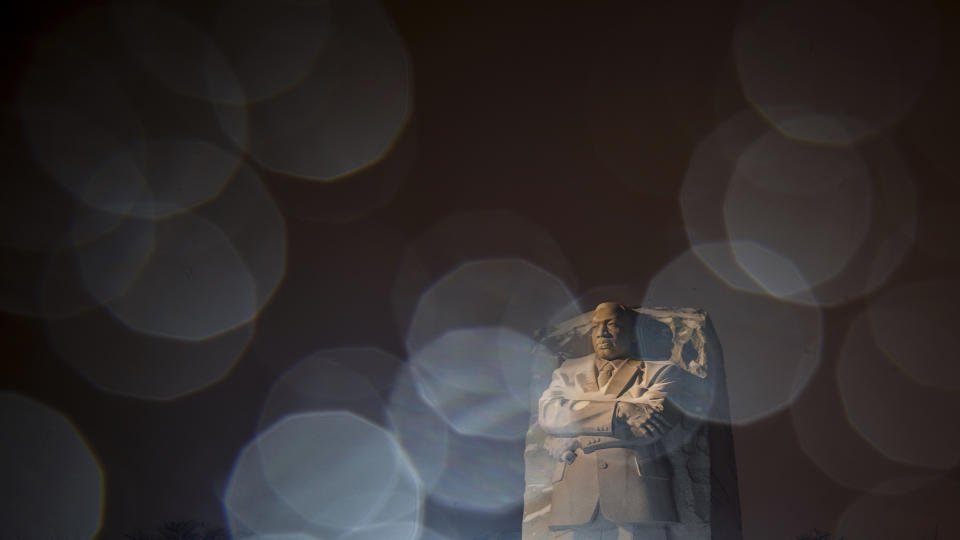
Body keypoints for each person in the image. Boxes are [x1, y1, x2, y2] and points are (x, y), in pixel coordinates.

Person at [538, 302, 704, 540]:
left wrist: (573, 438)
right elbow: (549, 414)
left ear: (633, 334)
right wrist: (621, 409)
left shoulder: (661, 371)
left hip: (638, 496)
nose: (601, 332)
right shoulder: (567, 371)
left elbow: (652, 425)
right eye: (596, 326)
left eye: (611, 324)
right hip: (575, 496)